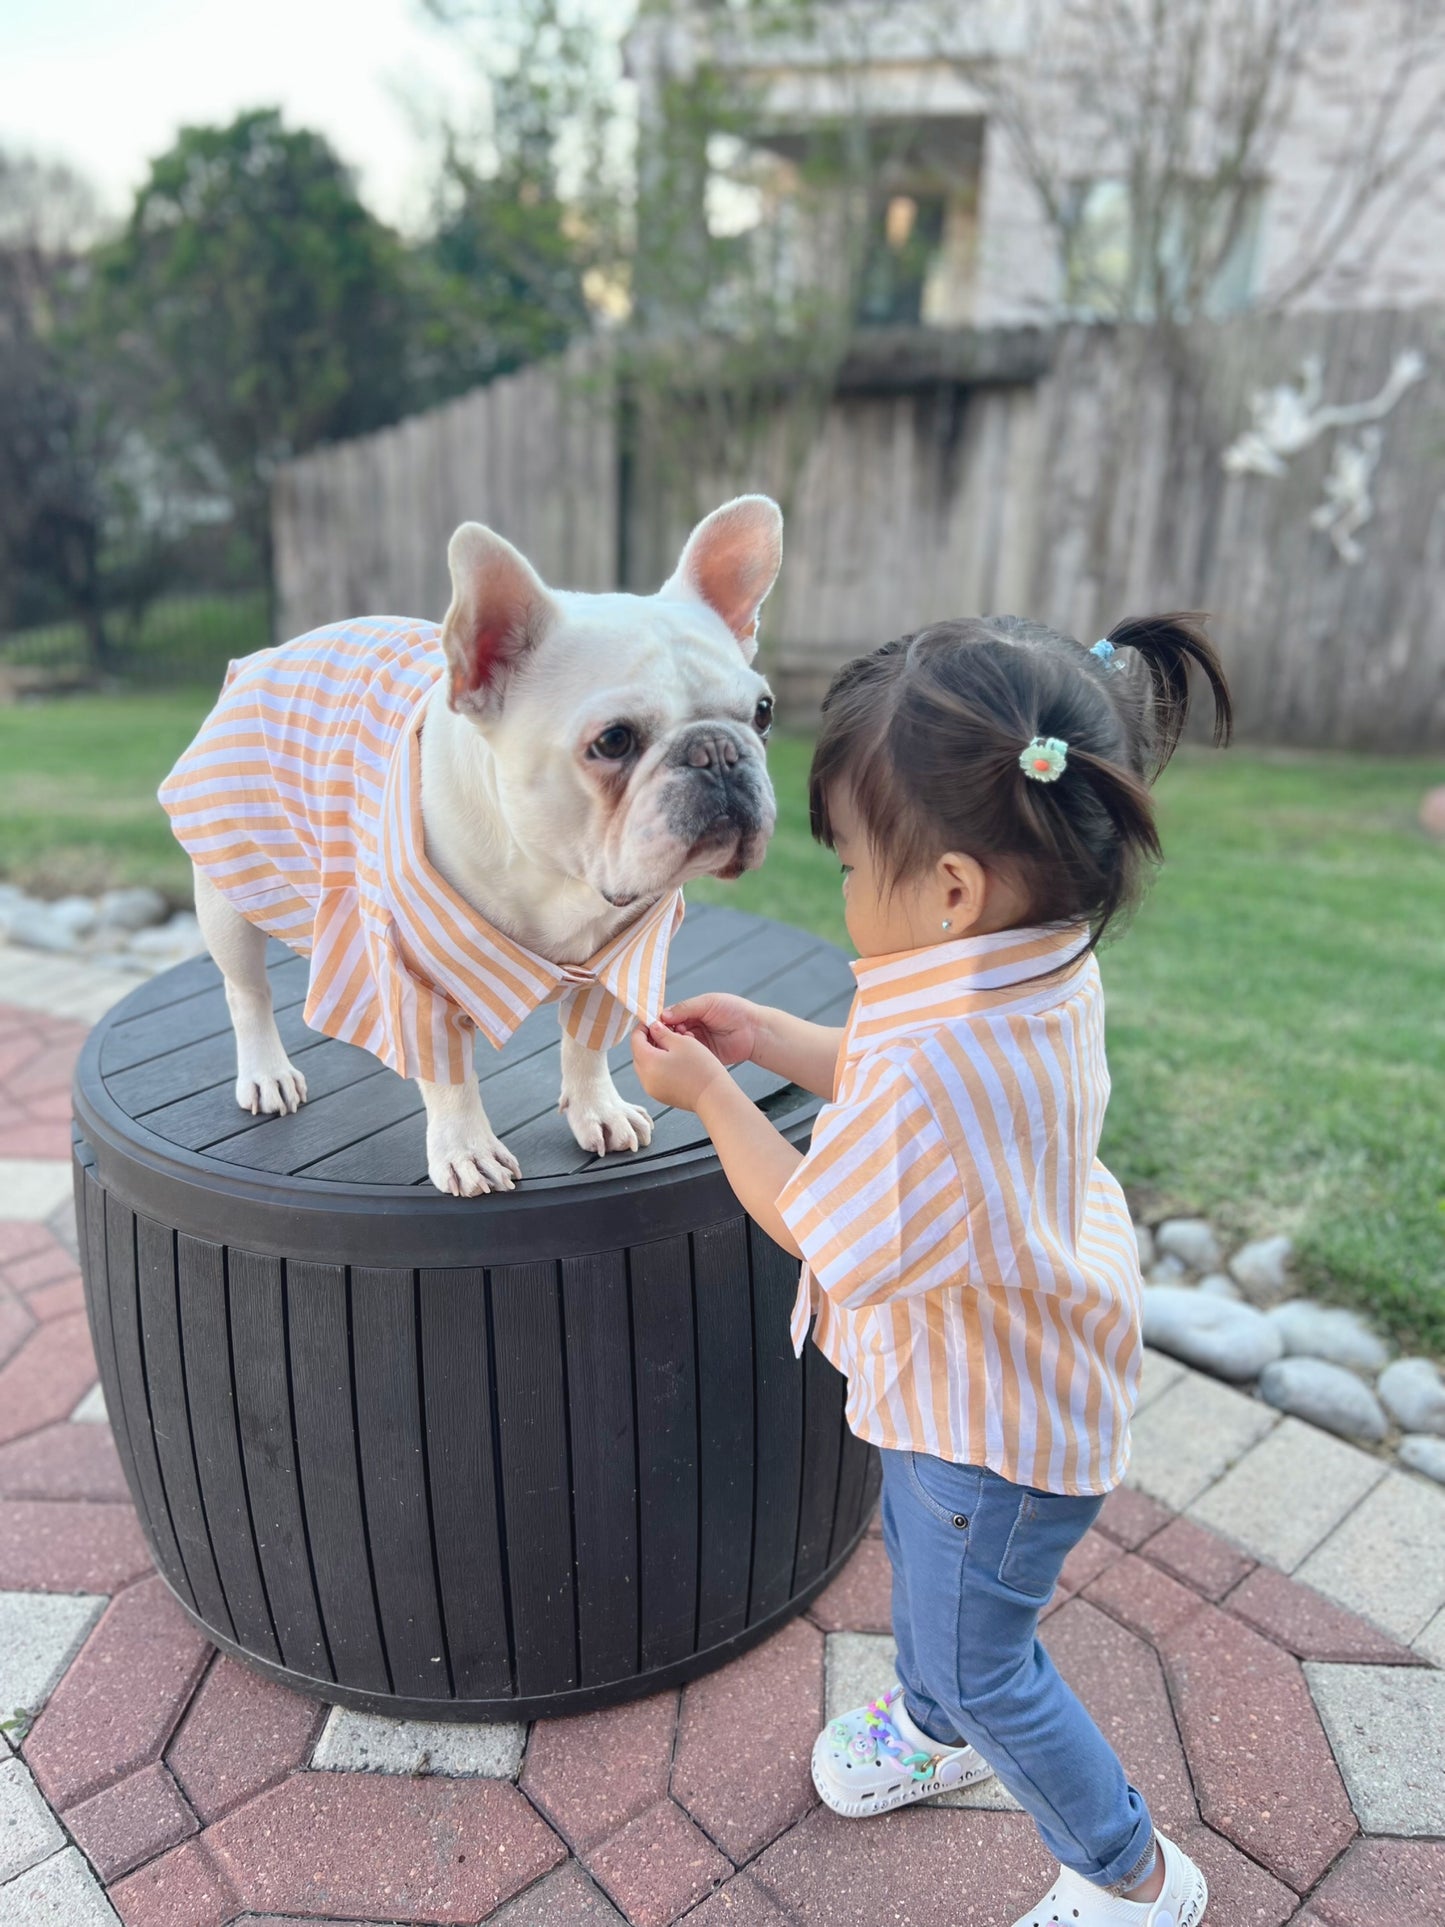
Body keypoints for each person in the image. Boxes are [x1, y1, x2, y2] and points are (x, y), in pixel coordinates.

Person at [631, 612, 1232, 1927]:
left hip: (995, 1433)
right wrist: (775, 1037)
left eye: (847, 864)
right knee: (924, 1561)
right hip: (988, 1373)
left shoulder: (942, 1053)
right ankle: (930, 1721)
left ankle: (1129, 1875)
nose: (840, 890)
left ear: (951, 887)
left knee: (990, 1654)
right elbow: (902, 1073)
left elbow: (813, 1217)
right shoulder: (1031, 961)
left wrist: (709, 1101)